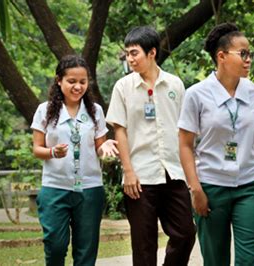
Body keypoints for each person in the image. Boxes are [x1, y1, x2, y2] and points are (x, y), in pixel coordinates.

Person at [178, 22, 254, 266]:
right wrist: (196, 190)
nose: (248, 59)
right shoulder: (196, 94)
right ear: (221, 56)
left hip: (250, 185)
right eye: (242, 53)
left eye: (249, 53)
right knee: (215, 260)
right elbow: (185, 145)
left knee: (252, 260)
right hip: (211, 187)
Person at [106, 26, 196, 266]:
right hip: (140, 176)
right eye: (127, 53)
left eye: (134, 53)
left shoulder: (175, 85)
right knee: (144, 245)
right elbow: (120, 130)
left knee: (185, 233)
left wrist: (190, 173)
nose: (130, 58)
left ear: (152, 53)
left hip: (173, 173)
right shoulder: (123, 87)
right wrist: (128, 172)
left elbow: (184, 131)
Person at [31, 54, 118, 265]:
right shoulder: (44, 110)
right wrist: (52, 152)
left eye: (83, 81)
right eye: (72, 81)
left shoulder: (95, 111)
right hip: (55, 188)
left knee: (86, 251)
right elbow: (37, 148)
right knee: (55, 245)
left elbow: (99, 146)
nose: (78, 87)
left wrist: (105, 146)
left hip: (89, 189)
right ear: (59, 80)